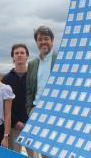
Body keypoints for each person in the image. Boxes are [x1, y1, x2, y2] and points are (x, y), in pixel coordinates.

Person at [26, 26, 57, 158]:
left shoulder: (61, 59)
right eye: (40, 39)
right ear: (36, 42)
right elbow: (29, 90)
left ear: (52, 40)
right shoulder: (33, 64)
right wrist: (29, 110)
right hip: (37, 110)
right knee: (38, 149)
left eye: (46, 39)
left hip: (56, 110)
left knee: (54, 148)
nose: (43, 42)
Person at [1, 43, 34, 157]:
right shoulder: (6, 78)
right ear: (13, 57)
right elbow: (3, 104)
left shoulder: (33, 77)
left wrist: (31, 121)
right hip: (14, 127)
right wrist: (15, 122)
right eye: (17, 53)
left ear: (27, 56)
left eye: (22, 53)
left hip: (32, 125)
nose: (19, 55)